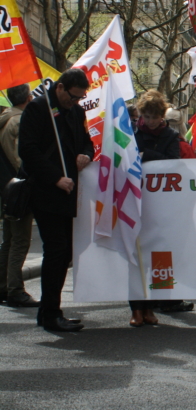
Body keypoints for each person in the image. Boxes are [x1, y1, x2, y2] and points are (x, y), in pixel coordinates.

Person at [19, 69, 93, 332]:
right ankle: (51, 313)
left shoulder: (77, 111)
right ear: (60, 88)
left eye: (80, 99)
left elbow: (87, 142)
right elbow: (27, 150)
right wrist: (54, 178)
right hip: (46, 191)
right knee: (57, 249)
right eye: (73, 97)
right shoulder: (38, 108)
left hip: (70, 192)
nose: (75, 102)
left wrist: (86, 154)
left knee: (65, 253)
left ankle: (49, 310)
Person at [130, 90, 191, 325]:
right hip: (137, 200)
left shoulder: (170, 135)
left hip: (162, 203)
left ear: (161, 115)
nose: (150, 121)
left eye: (154, 116)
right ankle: (136, 309)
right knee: (137, 254)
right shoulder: (133, 133)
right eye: (145, 116)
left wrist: (147, 155)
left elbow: (173, 163)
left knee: (158, 255)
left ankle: (152, 306)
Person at [0, 84, 38, 307]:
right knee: (20, 241)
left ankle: (4, 287)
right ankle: (15, 289)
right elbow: (20, 159)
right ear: (27, 98)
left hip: (6, 188)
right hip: (19, 189)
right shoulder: (20, 121)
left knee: (9, 240)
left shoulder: (5, 118)